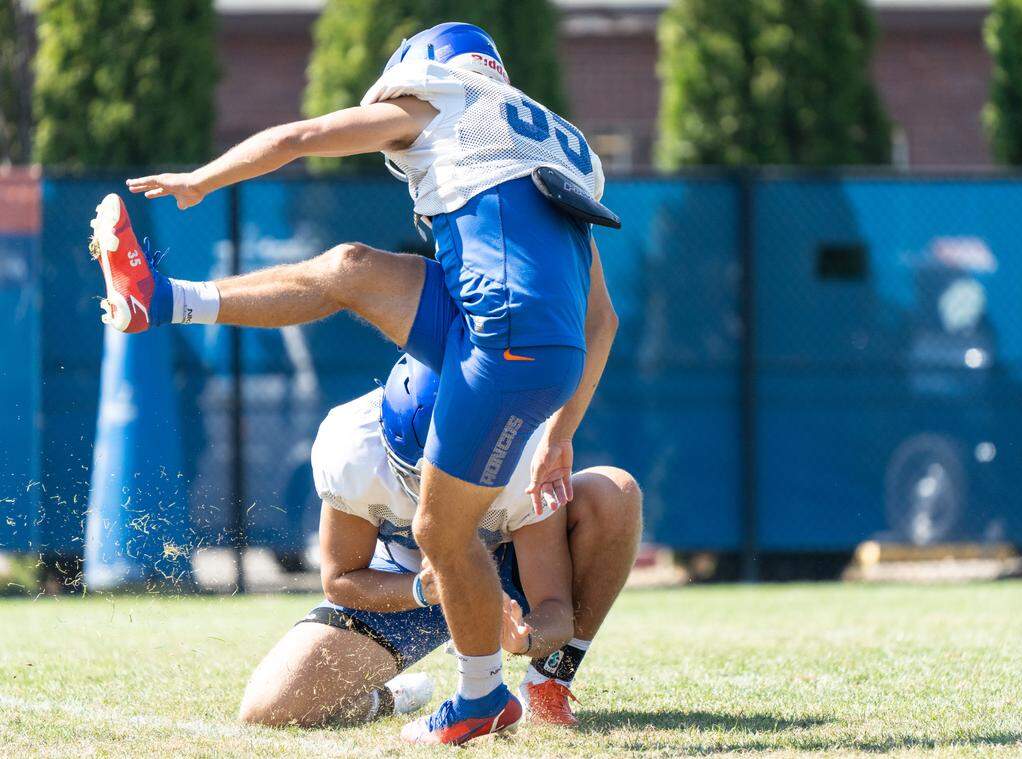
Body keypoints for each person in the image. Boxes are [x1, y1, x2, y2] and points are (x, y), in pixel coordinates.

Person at [88, 21, 619, 744]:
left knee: (439, 527)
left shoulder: (441, 99)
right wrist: (561, 429)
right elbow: (602, 322)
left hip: (501, 336)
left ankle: (481, 695)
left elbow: (302, 137)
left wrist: (202, 179)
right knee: (350, 268)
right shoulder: (551, 137)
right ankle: (166, 299)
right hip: (503, 324)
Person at [237, 355, 642, 730]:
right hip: (406, 582)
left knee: (613, 493)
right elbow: (341, 578)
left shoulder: (525, 447)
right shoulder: (352, 447)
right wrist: (423, 589)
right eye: (420, 480)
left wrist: (528, 637)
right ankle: (391, 699)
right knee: (269, 707)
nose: (438, 496)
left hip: (505, 579)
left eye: (455, 479)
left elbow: (554, 607)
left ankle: (549, 679)